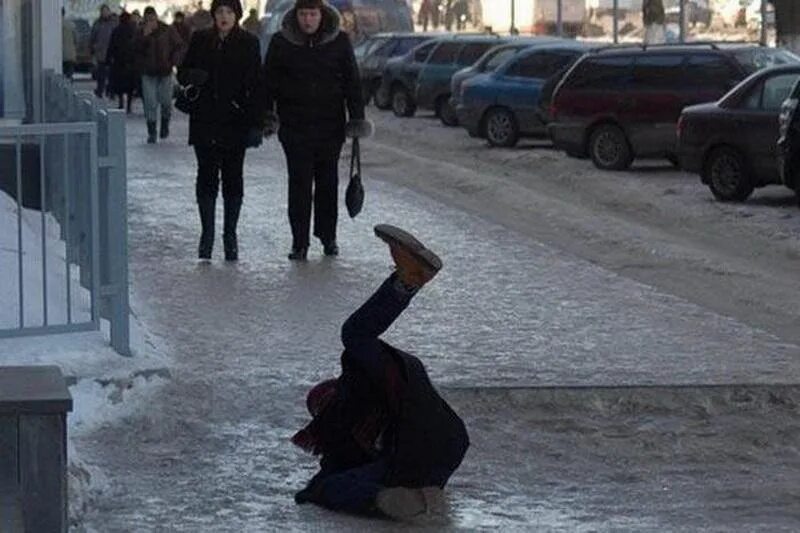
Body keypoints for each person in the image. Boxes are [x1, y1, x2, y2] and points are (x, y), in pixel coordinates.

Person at [292, 224, 469, 519]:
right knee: (334, 486)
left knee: (353, 335)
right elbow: (325, 480)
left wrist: (313, 492)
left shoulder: (364, 381)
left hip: (425, 445)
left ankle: (408, 278)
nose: (326, 409)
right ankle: (396, 499)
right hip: (430, 457)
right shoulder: (344, 445)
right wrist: (315, 490)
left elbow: (359, 339)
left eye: (323, 405)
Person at [262, 0, 371, 261]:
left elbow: (352, 83)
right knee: (298, 186)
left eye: (312, 14)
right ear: (296, 15)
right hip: (294, 126)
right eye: (303, 14)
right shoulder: (282, 42)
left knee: (327, 184)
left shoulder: (339, 41)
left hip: (329, 126)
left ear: (321, 15)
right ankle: (299, 242)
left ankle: (328, 236)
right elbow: (268, 83)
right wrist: (268, 115)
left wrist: (356, 120)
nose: (308, 20)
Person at [178, 0, 263, 261]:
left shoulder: (248, 42)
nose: (224, 17)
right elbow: (182, 73)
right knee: (206, 177)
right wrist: (194, 75)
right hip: (205, 121)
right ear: (213, 16)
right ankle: (207, 235)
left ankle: (230, 235)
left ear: (236, 15)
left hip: (235, 121)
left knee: (233, 179)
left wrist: (256, 122)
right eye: (219, 12)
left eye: (228, 12)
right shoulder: (200, 39)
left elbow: (257, 83)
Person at [135, 6, 185, 143]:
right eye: (147, 19)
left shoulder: (167, 30)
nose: (150, 22)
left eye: (152, 18)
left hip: (165, 71)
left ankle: (164, 125)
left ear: (156, 17)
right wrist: (144, 37)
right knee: (150, 103)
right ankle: (151, 131)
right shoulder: (140, 32)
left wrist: (173, 61)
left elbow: (179, 46)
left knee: (166, 101)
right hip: (148, 73)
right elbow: (134, 50)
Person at [107, 11, 139, 113]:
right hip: (131, 62)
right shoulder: (133, 30)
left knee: (120, 86)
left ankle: (121, 103)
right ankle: (129, 106)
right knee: (130, 86)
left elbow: (111, 46)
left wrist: (109, 58)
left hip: (119, 62)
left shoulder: (116, 30)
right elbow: (137, 46)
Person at [90, 4, 117, 98]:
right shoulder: (97, 23)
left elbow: (117, 37)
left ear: (109, 12)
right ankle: (100, 91)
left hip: (111, 53)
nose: (104, 13)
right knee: (101, 74)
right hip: (100, 53)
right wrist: (93, 49)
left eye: (106, 11)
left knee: (111, 75)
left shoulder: (113, 23)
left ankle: (111, 92)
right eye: (102, 11)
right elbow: (92, 37)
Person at [62, 9, 77, 80]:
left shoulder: (54, 25)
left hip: (59, 55)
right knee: (69, 75)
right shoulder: (71, 25)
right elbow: (76, 39)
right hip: (70, 54)